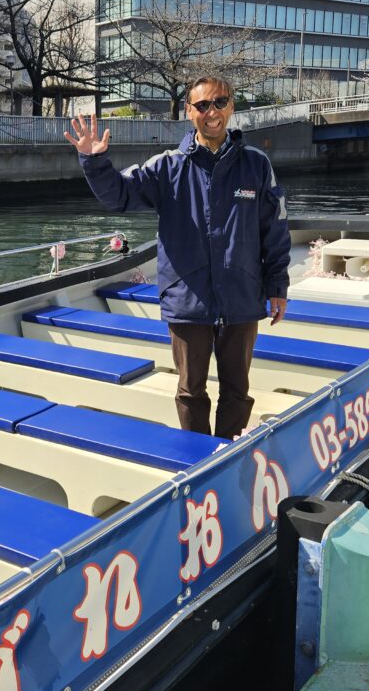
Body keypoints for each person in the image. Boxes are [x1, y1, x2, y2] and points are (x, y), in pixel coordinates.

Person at [64, 76, 291, 439]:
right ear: (190, 112)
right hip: (188, 301)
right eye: (202, 106)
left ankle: (228, 455)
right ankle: (197, 459)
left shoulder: (256, 165)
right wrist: (94, 162)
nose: (211, 113)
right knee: (190, 391)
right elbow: (119, 196)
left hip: (241, 297)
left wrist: (277, 286)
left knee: (237, 390)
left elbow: (274, 230)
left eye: (219, 103)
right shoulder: (166, 167)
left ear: (231, 106)